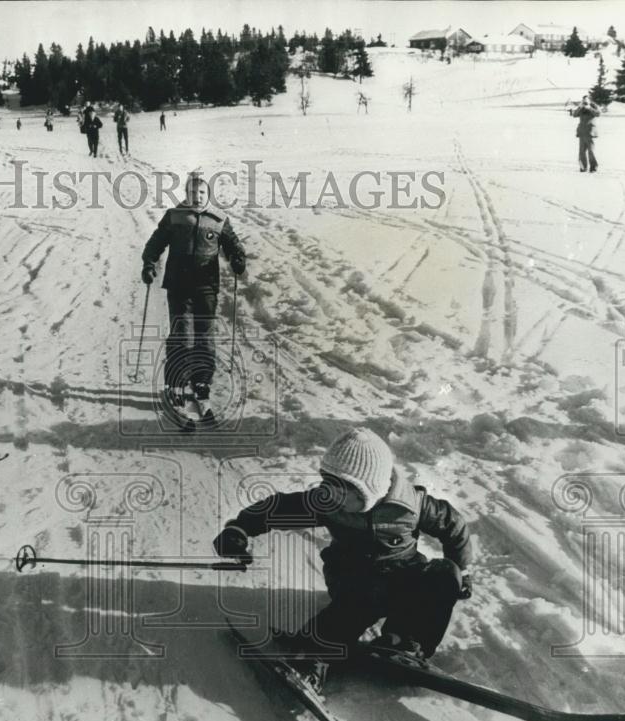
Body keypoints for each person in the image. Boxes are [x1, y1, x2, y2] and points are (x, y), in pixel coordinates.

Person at [214, 427, 473, 676]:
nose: (331, 496)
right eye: (328, 485)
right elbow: (281, 507)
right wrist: (240, 527)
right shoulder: (328, 503)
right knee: (353, 606)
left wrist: (463, 569)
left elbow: (453, 525)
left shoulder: (412, 505)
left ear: (370, 489)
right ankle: (313, 654)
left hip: (403, 573)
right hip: (355, 577)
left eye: (342, 491)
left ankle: (403, 643)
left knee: (445, 575)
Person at [141, 169, 246, 419]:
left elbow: (233, 245)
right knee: (182, 335)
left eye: (201, 192)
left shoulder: (218, 219)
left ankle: (201, 382)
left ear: (208, 194)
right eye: (192, 192)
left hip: (206, 287)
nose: (196, 196)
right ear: (185, 193)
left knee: (204, 337)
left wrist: (237, 259)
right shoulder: (175, 216)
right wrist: (149, 263)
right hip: (179, 285)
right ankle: (175, 384)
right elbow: (156, 242)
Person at [569, 94, 600, 173]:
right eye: (583, 100)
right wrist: (580, 107)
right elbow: (574, 115)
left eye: (586, 100)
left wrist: (589, 108)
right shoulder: (581, 108)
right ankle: (583, 167)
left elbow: (598, 114)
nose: (585, 102)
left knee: (591, 151)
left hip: (590, 132)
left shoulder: (594, 106)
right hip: (582, 132)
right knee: (581, 152)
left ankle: (593, 167)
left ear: (590, 100)